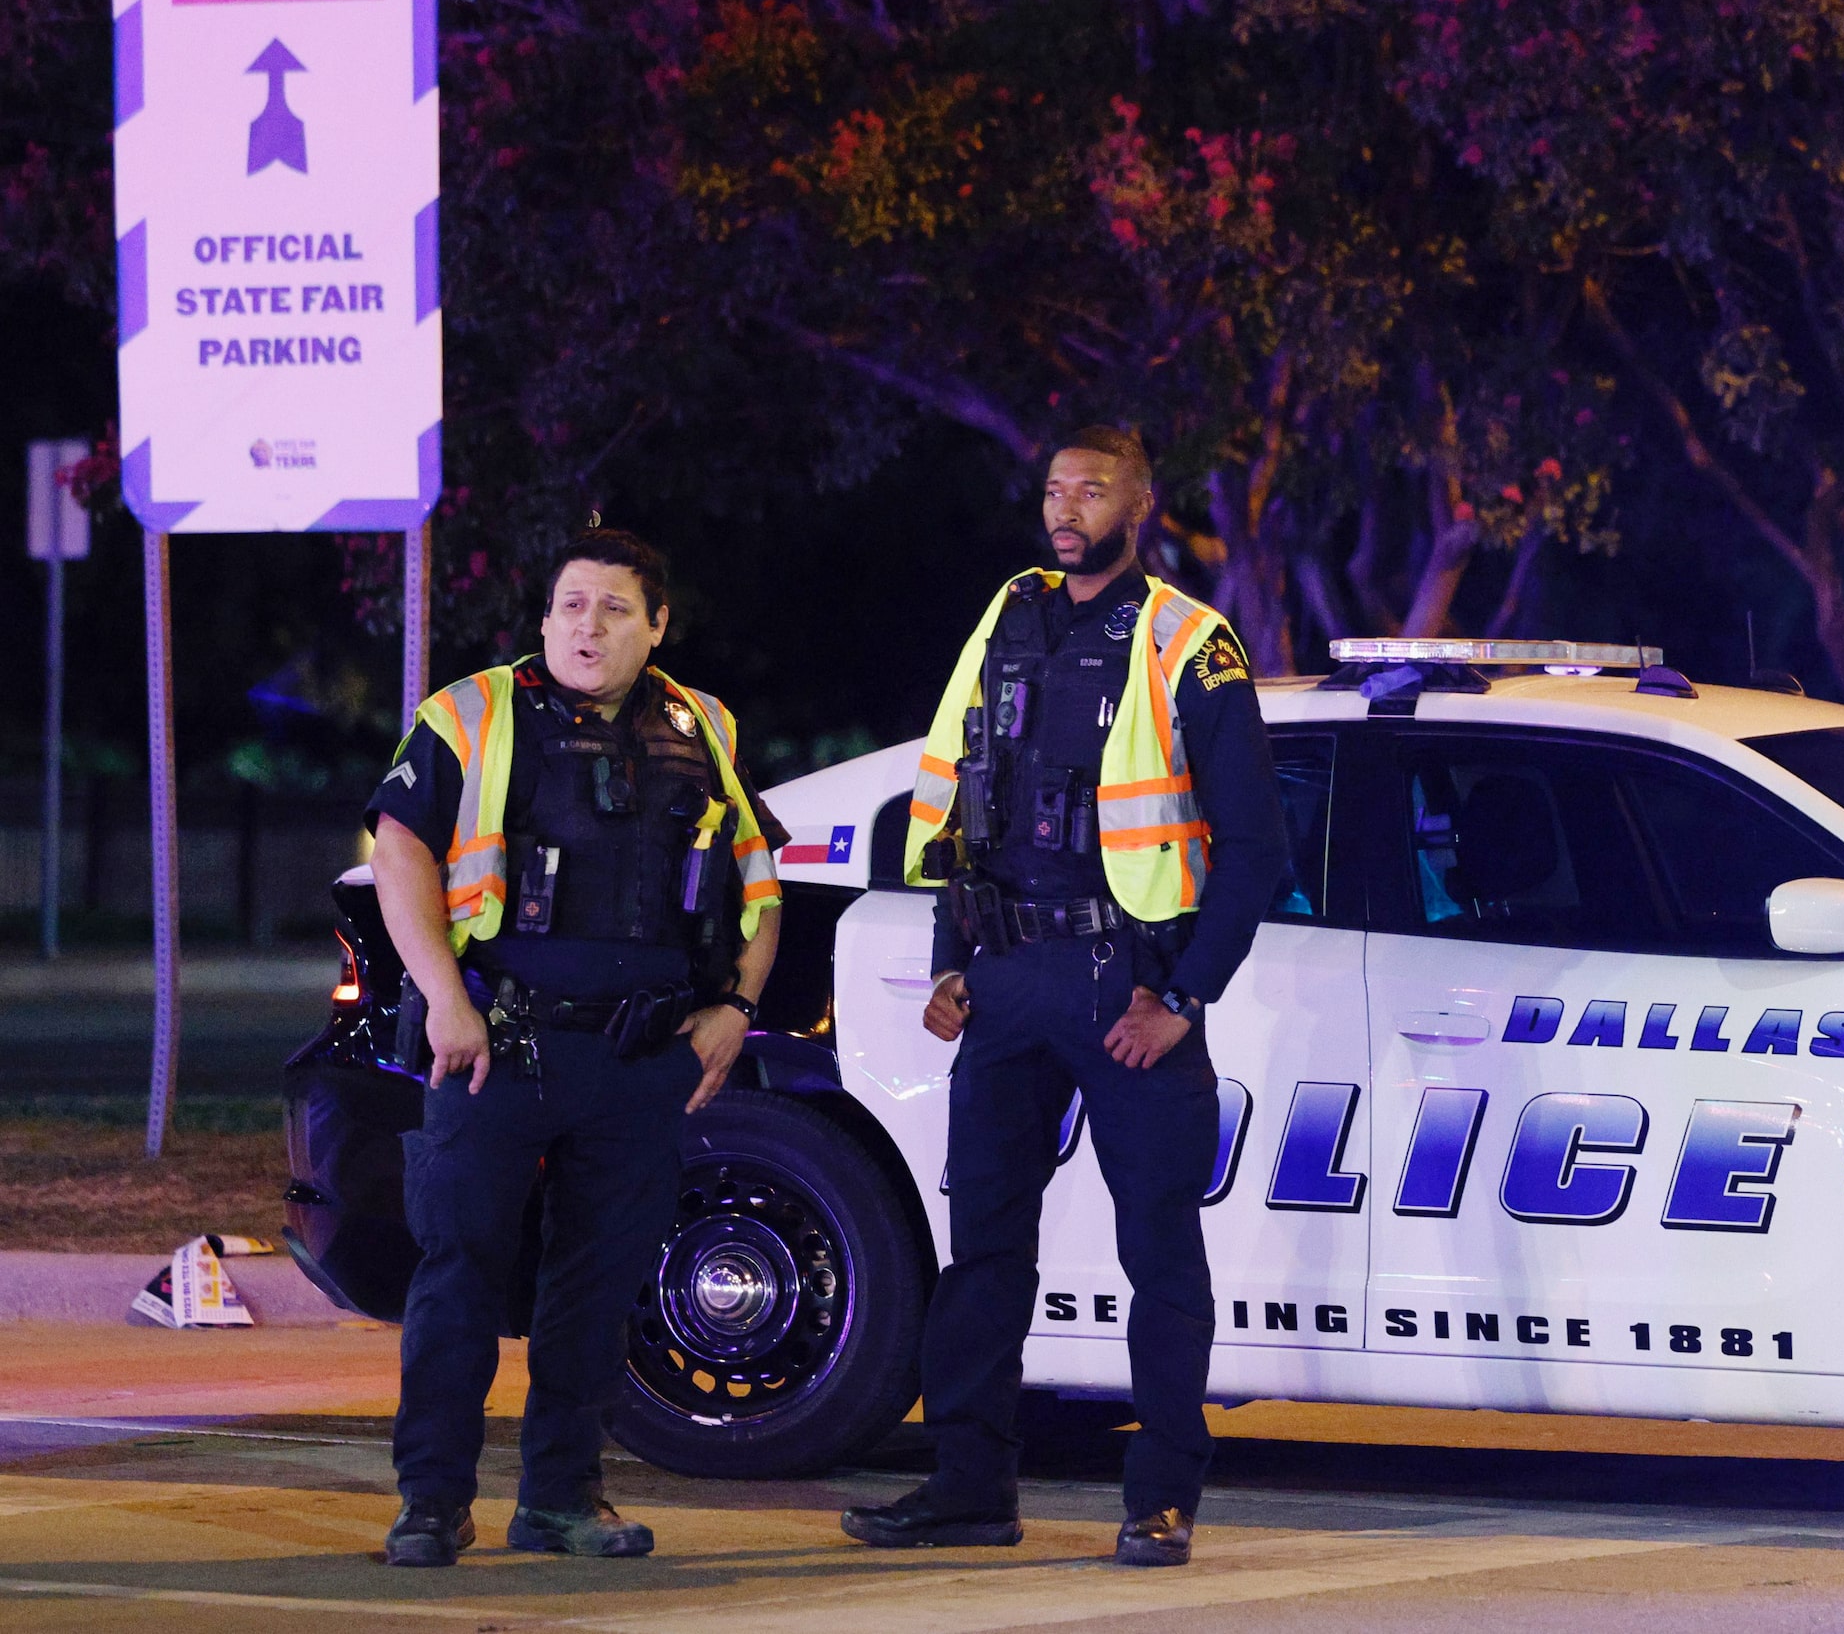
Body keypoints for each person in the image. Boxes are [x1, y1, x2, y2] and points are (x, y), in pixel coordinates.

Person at [840, 427, 1286, 1568]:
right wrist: (948, 961)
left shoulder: (1193, 642)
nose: (1066, 504)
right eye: (1053, 487)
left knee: (1159, 1255)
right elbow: (956, 796)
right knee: (982, 1254)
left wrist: (1181, 998)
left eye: (1092, 488)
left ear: (1139, 503)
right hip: (1002, 983)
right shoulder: (1009, 617)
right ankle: (969, 1490)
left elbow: (1253, 849)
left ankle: (1161, 1497)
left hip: (1122, 990)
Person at [369, 526, 785, 1567]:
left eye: (610, 608)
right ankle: (431, 1502)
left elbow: (761, 882)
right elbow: (399, 852)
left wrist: (735, 1006)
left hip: (639, 1059)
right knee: (458, 1275)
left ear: (656, 626)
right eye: (568, 606)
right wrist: (442, 999)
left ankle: (560, 1499)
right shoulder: (470, 712)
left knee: (597, 1290)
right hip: (494, 1045)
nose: (584, 626)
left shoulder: (706, 725)